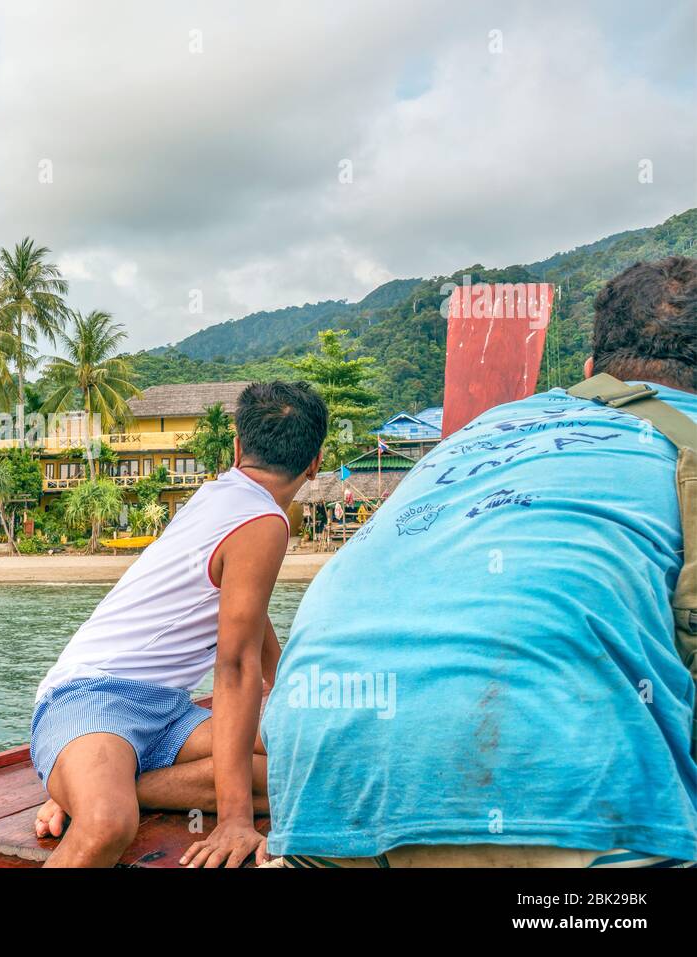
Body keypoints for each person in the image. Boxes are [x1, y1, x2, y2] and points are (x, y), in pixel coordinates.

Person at [262, 257, 697, 868]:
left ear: (590, 371)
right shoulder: (685, 441)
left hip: (320, 804)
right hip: (556, 819)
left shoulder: (485, 430)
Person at [30, 381, 327, 867]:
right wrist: (235, 821)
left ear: (237, 448)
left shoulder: (222, 493)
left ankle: (107, 783)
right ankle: (97, 787)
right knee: (107, 823)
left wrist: (292, 694)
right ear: (315, 461)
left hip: (168, 713)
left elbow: (249, 618)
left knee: (310, 762)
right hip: (92, 696)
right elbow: (233, 666)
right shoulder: (263, 519)